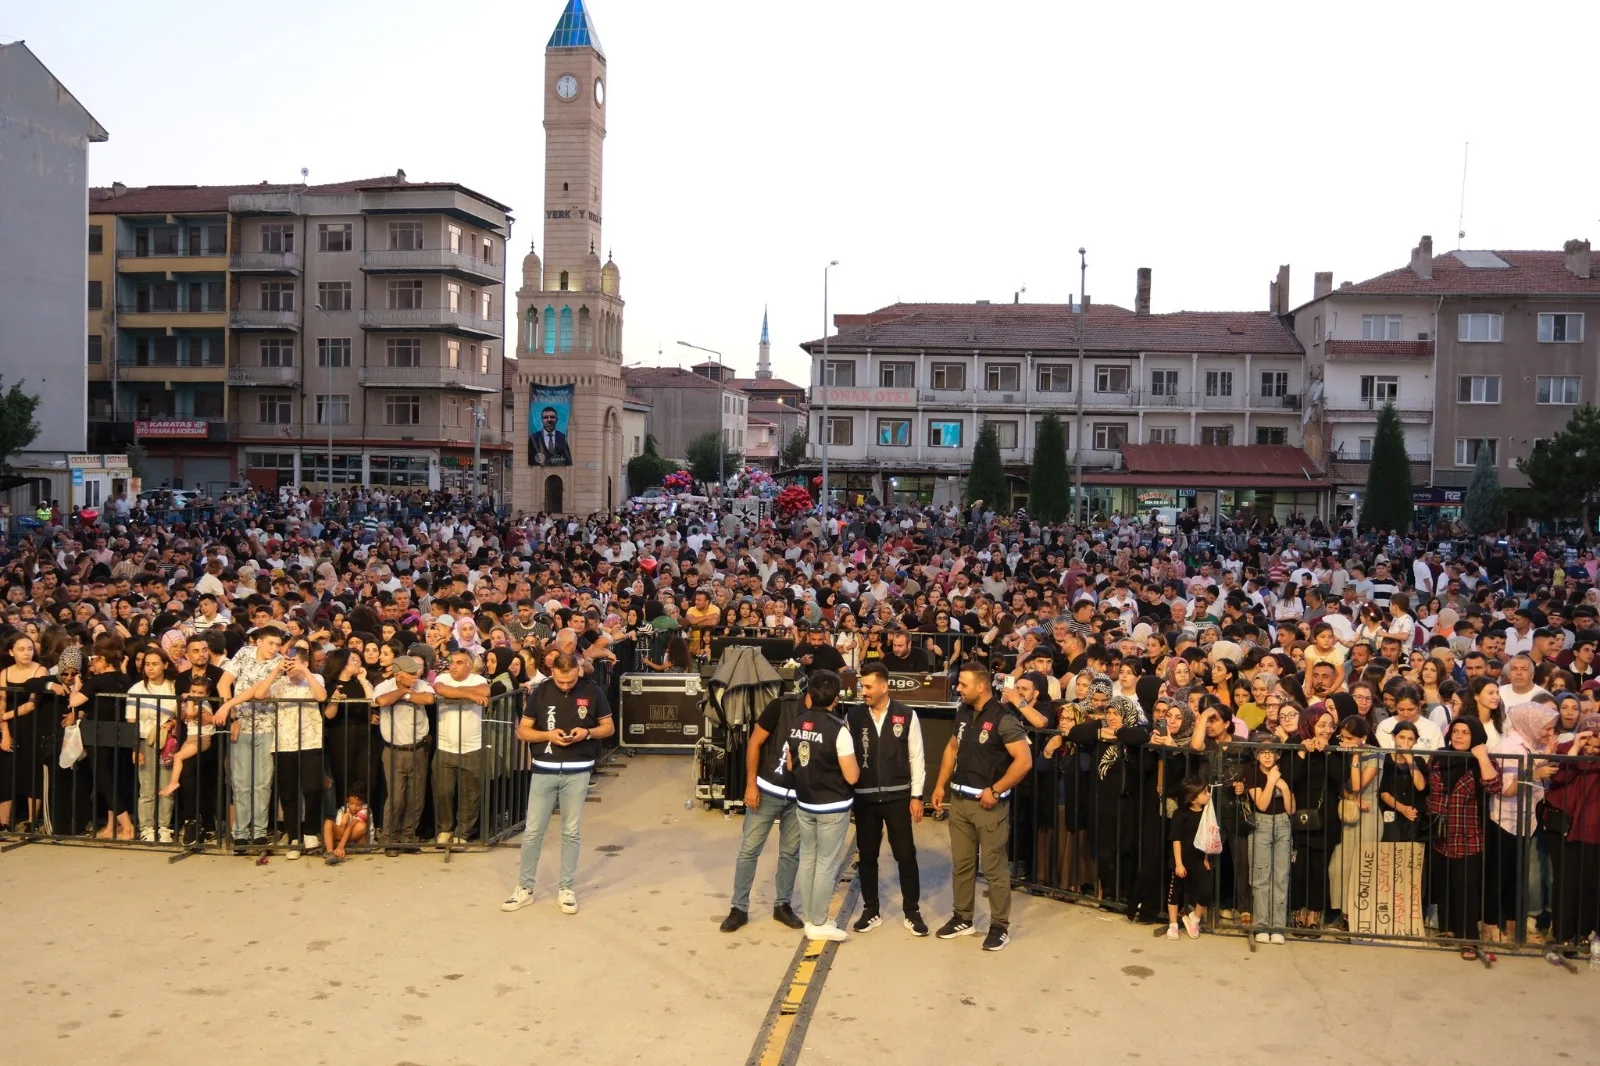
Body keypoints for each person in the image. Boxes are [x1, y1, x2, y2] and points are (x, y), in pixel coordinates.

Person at [931, 661, 1033, 951]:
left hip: (988, 806)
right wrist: (940, 785)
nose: (958, 688)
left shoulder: (1003, 718)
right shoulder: (962, 711)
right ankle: (963, 917)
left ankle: (1000, 926)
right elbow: (952, 747)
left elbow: (1024, 760)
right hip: (960, 802)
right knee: (962, 864)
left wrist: (996, 790)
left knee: (994, 867)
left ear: (981, 686)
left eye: (963, 684)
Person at [502, 652, 613, 915]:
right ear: (552, 672)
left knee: (571, 832)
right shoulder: (540, 692)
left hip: (578, 770)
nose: (566, 686)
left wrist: (587, 732)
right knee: (533, 832)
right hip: (544, 770)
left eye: (571, 681)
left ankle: (566, 888)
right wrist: (547, 735)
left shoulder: (592, 691)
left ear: (578, 671)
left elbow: (608, 727)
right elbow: (523, 731)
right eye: (561, 681)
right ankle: (525, 888)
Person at [720, 676, 813, 934]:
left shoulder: (824, 716)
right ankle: (739, 908)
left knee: (790, 853)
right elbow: (755, 742)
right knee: (749, 850)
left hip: (798, 798)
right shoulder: (781, 706)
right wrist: (751, 784)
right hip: (767, 791)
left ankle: (782, 905)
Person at [847, 660, 927, 935]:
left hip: (898, 798)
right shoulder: (854, 717)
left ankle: (912, 911)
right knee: (867, 855)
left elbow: (917, 758)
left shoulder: (906, 715)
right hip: (865, 799)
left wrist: (917, 796)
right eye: (861, 685)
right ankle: (871, 910)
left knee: (905, 854)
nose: (863, 691)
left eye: (868, 686)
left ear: (884, 686)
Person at [782, 668, 859, 941]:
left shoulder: (797, 722)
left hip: (805, 801)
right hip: (832, 806)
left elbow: (791, 764)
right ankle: (817, 921)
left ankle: (812, 916)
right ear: (835, 698)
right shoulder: (838, 729)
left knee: (809, 858)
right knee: (826, 863)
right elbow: (851, 775)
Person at [1426, 716, 1503, 960]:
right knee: (1444, 883)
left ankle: (1468, 937)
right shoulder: (1440, 756)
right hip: (1440, 833)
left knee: (1466, 887)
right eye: (1456, 731)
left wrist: (1481, 756)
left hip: (1469, 834)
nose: (1459, 736)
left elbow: (1494, 786)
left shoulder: (1481, 761)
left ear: (1476, 736)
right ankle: (1449, 929)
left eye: (1465, 733)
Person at [371, 655, 435, 856]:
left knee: (416, 797)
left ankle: (409, 837)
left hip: (418, 749)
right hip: (394, 750)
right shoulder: (384, 686)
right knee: (397, 798)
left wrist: (404, 694)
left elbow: (429, 698)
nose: (416, 676)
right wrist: (402, 691)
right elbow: (380, 701)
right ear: (398, 675)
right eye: (411, 674)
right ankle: (391, 839)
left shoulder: (422, 684)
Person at [432, 648, 490, 846]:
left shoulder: (478, 680)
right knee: (443, 791)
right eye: (452, 662)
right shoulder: (443, 677)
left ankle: (463, 832)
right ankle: (445, 829)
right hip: (445, 745)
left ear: (469, 665)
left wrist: (461, 694)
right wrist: (469, 696)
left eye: (458, 662)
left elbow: (484, 692)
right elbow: (441, 690)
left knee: (470, 793)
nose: (453, 666)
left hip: (471, 745)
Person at [1246, 736, 1294, 944]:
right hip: (1261, 824)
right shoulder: (1252, 773)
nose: (1267, 756)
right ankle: (1262, 925)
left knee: (1281, 877)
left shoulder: (1285, 772)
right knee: (1260, 876)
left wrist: (1283, 788)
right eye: (1263, 752)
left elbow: (1291, 808)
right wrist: (1272, 781)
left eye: (1271, 752)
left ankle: (1278, 927)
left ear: (1277, 754)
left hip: (1283, 823)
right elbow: (1262, 804)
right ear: (1257, 755)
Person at [1166, 776, 1213, 940]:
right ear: (1193, 798)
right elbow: (1176, 839)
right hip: (1182, 858)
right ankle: (1173, 924)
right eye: (1205, 792)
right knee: (1175, 890)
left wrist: (1206, 857)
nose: (1208, 795)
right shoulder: (1180, 814)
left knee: (1207, 890)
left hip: (1199, 858)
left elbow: (1208, 837)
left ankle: (1195, 918)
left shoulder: (1207, 814)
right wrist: (1178, 863)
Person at [323, 782, 371, 865]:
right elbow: (340, 833)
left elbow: (351, 826)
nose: (354, 807)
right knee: (328, 822)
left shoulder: (365, 809)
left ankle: (339, 846)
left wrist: (341, 846)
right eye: (351, 803)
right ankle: (330, 852)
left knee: (361, 826)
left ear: (363, 802)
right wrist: (343, 823)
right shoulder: (343, 809)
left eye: (358, 804)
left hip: (359, 843)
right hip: (344, 839)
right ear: (347, 800)